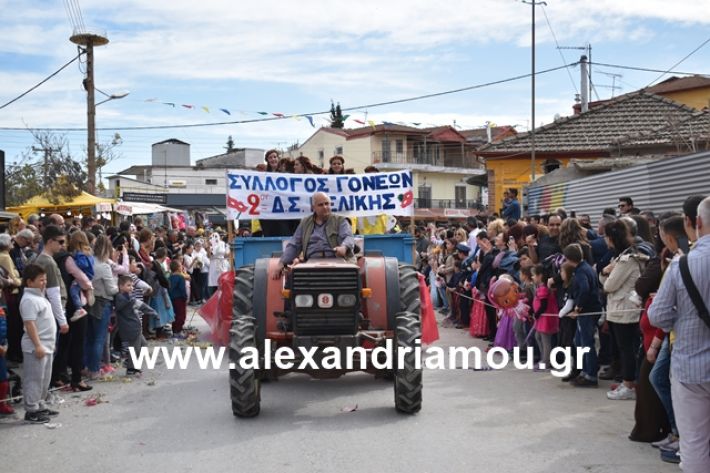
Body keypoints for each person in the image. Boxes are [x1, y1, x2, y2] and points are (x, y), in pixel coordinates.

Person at [648, 196, 710, 473]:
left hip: (691, 367)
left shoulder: (681, 265)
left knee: (694, 442)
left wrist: (682, 317)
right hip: (689, 367)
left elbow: (658, 316)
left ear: (694, 223)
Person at [600, 220, 647, 400]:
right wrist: (606, 273)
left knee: (627, 349)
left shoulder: (627, 259)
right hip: (619, 310)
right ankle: (627, 381)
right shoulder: (622, 256)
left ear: (611, 238)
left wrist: (605, 272)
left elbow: (609, 284)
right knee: (623, 348)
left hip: (625, 311)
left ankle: (629, 385)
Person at [271, 192, 355, 279]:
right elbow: (294, 245)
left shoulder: (340, 221)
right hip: (310, 264)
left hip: (338, 262)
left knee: (352, 278)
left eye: (327, 204)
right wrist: (281, 263)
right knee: (292, 282)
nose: (325, 207)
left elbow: (348, 237)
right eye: (320, 205)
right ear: (313, 208)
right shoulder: (304, 223)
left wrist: (344, 247)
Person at [19, 264, 59, 424]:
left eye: (45, 279)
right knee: (34, 379)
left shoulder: (40, 297)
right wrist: (37, 345)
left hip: (47, 345)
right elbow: (30, 324)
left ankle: (40, 404)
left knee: (44, 378)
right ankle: (31, 409)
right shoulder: (28, 300)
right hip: (36, 347)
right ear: (29, 282)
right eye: (41, 280)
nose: (44, 282)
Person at [563, 243, 603, 387]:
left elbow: (585, 289)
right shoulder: (586, 267)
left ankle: (591, 375)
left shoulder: (580, 272)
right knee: (579, 341)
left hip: (587, 311)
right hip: (590, 309)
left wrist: (578, 308)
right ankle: (585, 371)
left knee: (586, 343)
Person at [114, 275, 156, 376]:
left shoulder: (127, 298)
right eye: (128, 285)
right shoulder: (122, 298)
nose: (131, 288)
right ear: (120, 286)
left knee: (143, 345)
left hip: (134, 326)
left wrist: (152, 312)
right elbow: (138, 305)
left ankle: (132, 365)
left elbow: (141, 306)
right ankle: (132, 368)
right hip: (131, 327)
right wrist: (152, 312)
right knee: (135, 348)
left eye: (132, 286)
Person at [169, 260, 188, 336]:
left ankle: (174, 329)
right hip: (180, 298)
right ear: (177, 268)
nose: (182, 267)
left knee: (175, 314)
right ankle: (178, 330)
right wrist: (185, 297)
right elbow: (182, 289)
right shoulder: (180, 277)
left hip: (172, 298)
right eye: (180, 266)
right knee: (181, 314)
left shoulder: (170, 277)